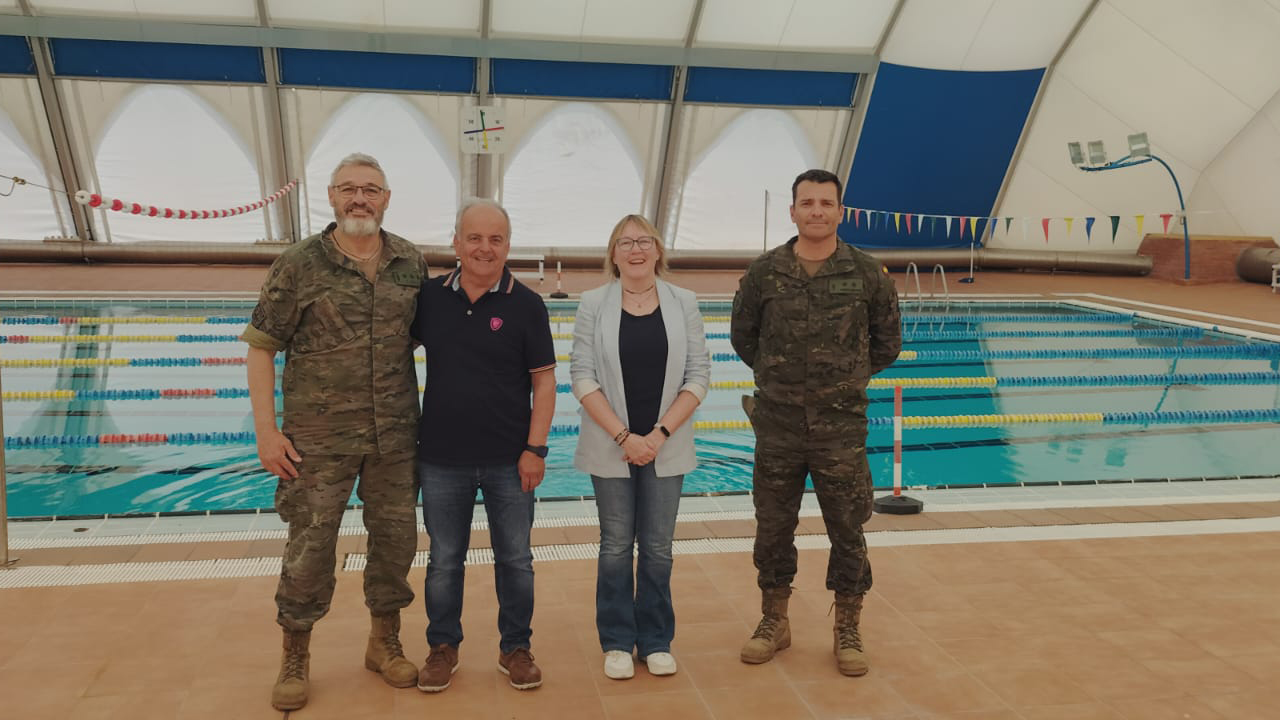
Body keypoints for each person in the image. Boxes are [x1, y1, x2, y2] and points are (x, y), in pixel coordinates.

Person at [243, 152, 425, 711]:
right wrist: (266, 433)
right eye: (348, 188)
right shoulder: (298, 264)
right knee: (311, 546)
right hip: (317, 440)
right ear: (331, 196)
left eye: (370, 189)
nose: (359, 199)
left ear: (386, 198)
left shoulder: (410, 262)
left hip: (394, 436)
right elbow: (260, 347)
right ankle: (295, 653)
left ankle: (383, 642)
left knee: (395, 541)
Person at [729, 169, 901, 677]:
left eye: (826, 203)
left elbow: (887, 344)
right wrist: (784, 380)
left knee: (847, 529)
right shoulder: (764, 273)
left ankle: (847, 626)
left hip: (840, 428)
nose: (817, 211)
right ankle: (773, 620)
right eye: (807, 203)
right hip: (777, 426)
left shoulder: (867, 274)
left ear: (840, 212)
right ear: (793, 211)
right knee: (772, 528)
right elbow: (744, 338)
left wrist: (841, 381)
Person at [411, 198, 556, 692]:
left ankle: (515, 647)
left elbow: (544, 382)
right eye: (474, 237)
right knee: (443, 560)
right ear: (456, 243)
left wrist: (535, 449)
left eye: (496, 239)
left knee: (515, 560)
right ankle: (442, 647)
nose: (484, 248)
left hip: (509, 460)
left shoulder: (527, 305)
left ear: (508, 245)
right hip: (441, 457)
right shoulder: (429, 298)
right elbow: (389, 355)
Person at [570, 215, 710, 680]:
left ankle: (654, 640)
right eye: (625, 242)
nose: (635, 249)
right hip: (612, 443)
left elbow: (698, 375)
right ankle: (615, 639)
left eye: (644, 241)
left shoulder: (684, 301)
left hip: (665, 444)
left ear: (657, 250)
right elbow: (582, 375)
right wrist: (624, 437)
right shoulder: (593, 303)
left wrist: (658, 435)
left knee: (657, 548)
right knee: (614, 546)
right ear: (613, 253)